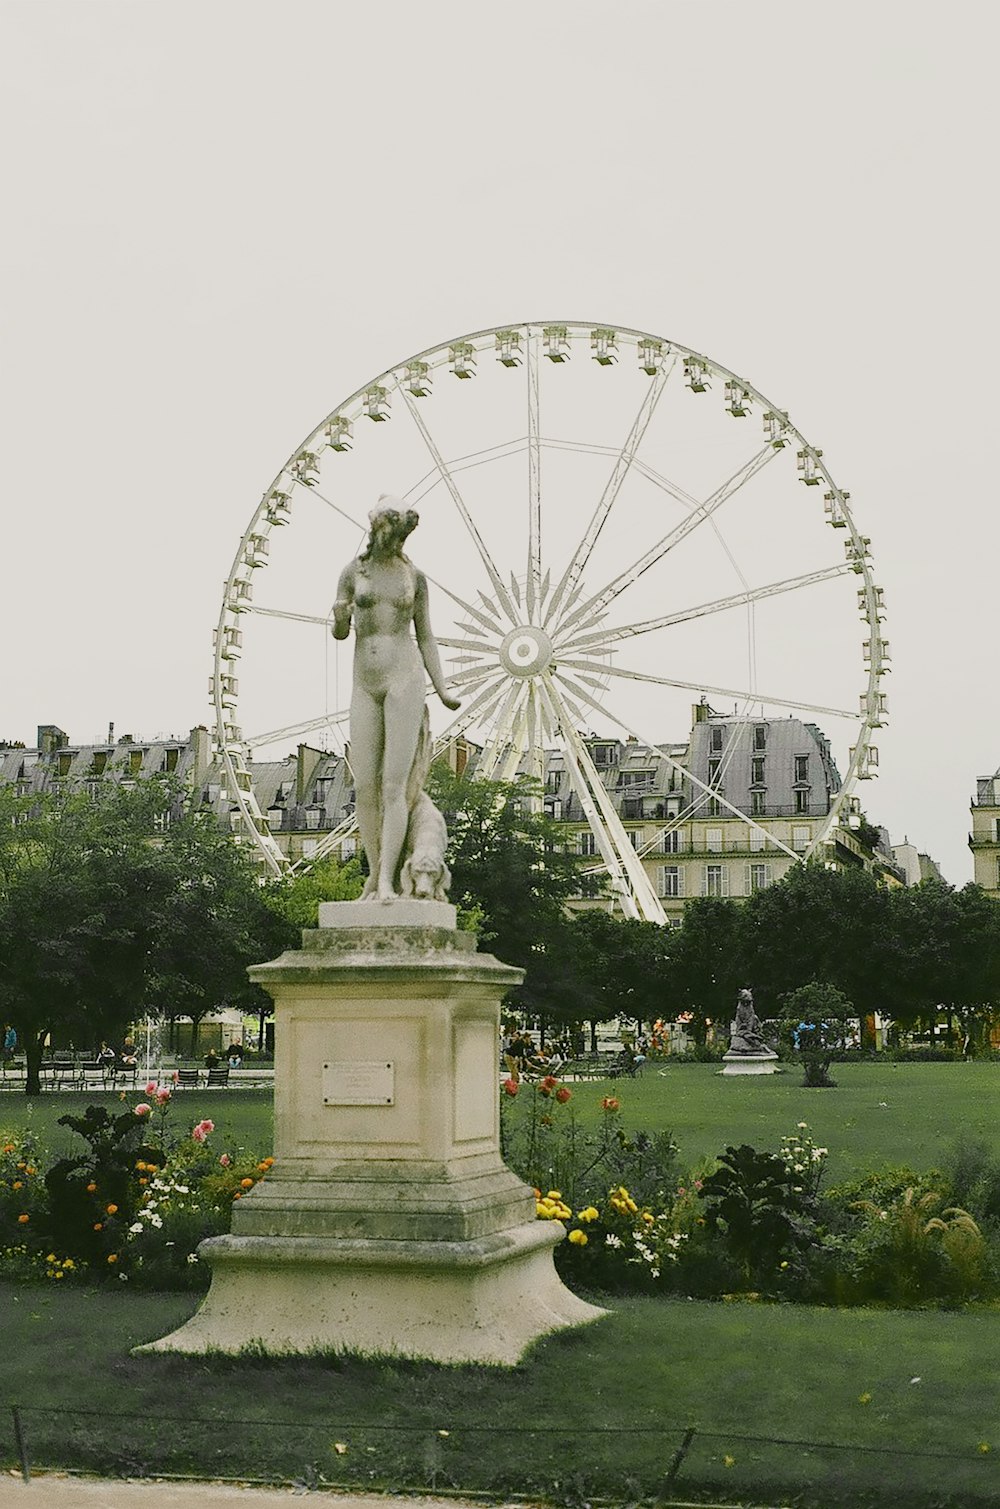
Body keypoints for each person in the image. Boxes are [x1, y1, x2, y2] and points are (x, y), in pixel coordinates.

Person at [333, 498, 459, 902]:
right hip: (364, 681)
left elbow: (425, 636)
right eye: (392, 536)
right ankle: (373, 876)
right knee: (365, 785)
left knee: (394, 786)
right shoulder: (353, 573)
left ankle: (387, 880)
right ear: (378, 532)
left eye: (402, 537)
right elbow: (340, 633)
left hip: (404, 678)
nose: (397, 543)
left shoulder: (414, 579)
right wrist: (338, 617)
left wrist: (441, 689)